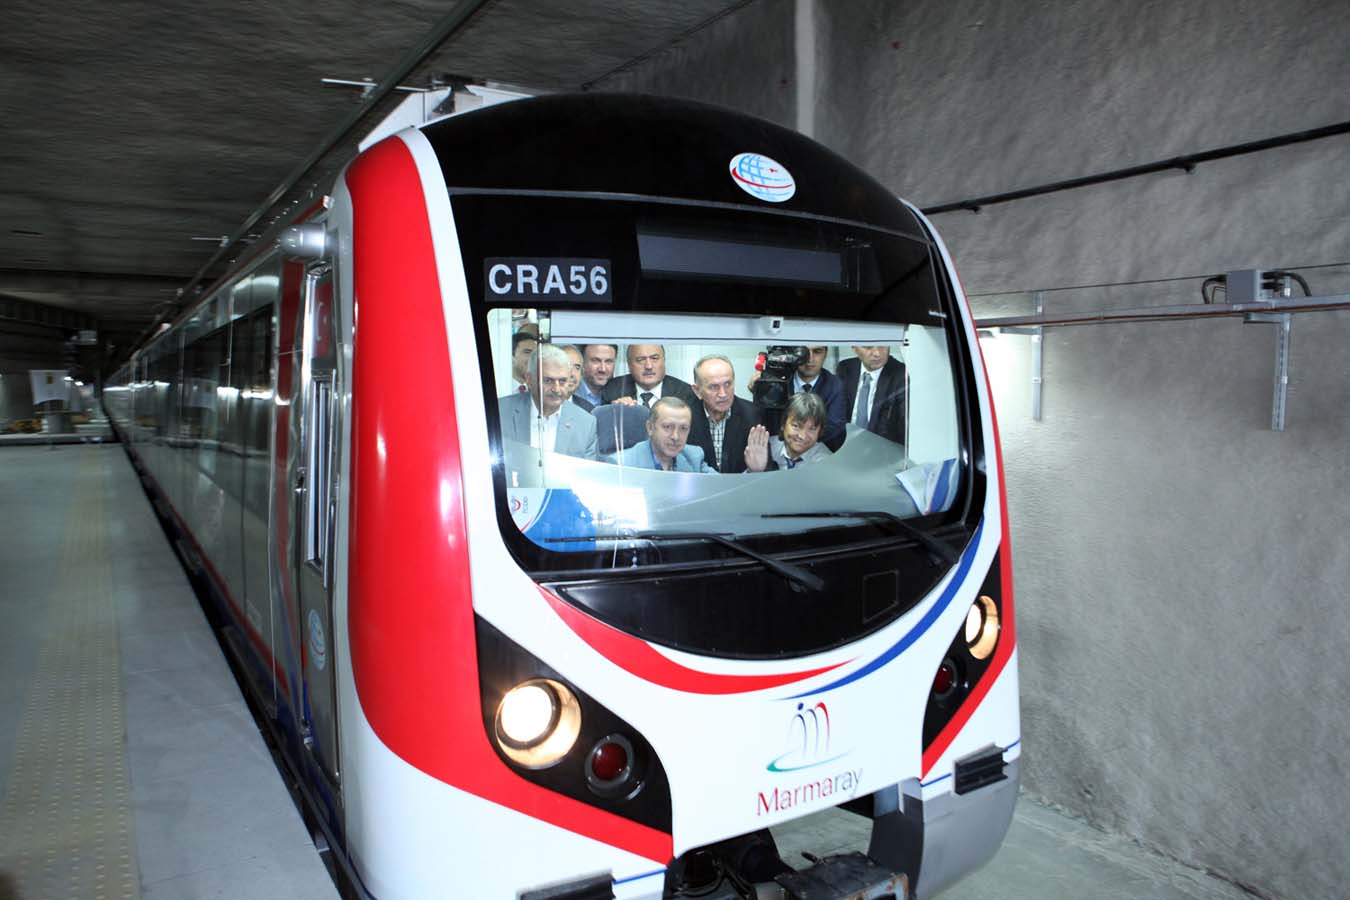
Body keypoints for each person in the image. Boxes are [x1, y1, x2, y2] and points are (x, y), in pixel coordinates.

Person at [498, 343, 597, 459]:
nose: (556, 389)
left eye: (562, 381)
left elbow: (587, 469)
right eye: (548, 381)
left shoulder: (585, 423)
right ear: (529, 379)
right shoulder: (500, 411)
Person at [752, 345, 847, 452]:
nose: (810, 359)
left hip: (817, 454)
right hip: (777, 452)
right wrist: (759, 391)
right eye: (803, 353)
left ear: (825, 354)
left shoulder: (835, 385)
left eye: (817, 351)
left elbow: (834, 428)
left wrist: (800, 445)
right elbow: (764, 420)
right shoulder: (777, 379)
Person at [687, 355, 767, 473]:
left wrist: (755, 470)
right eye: (714, 387)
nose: (723, 394)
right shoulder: (684, 418)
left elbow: (768, 469)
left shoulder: (752, 415)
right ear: (697, 391)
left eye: (728, 384)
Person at [608, 397, 716, 472]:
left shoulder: (693, 457)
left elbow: (721, 488)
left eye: (683, 428)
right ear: (650, 428)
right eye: (668, 427)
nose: (675, 436)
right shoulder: (622, 465)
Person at [836, 345, 906, 445]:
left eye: (882, 345)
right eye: (868, 347)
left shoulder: (902, 375)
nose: (877, 353)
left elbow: (901, 429)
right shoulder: (845, 368)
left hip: (881, 448)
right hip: (847, 445)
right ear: (854, 347)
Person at [600, 344, 697, 408]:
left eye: (654, 358)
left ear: (664, 361)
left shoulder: (685, 393)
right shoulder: (613, 390)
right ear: (629, 365)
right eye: (640, 360)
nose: (648, 366)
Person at [768, 392, 833, 469]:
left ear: (819, 432)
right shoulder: (767, 447)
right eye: (796, 426)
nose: (802, 436)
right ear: (783, 424)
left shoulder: (825, 462)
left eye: (812, 429)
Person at [573, 343, 615, 408]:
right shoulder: (569, 392)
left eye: (608, 361)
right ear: (582, 362)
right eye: (596, 361)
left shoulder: (619, 393)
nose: (603, 369)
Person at [561, 345, 592, 412]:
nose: (572, 374)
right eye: (566, 366)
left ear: (582, 373)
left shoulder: (588, 409)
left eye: (577, 368)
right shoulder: (540, 404)